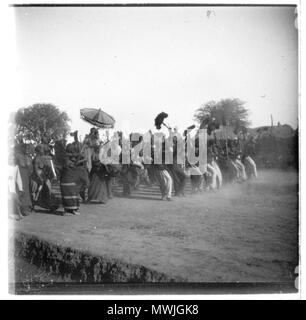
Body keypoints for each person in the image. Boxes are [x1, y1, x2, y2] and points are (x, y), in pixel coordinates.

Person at [60, 143, 89, 214]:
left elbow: (75, 161)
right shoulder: (65, 158)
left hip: (70, 178)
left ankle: (73, 209)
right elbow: (73, 164)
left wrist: (80, 157)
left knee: (73, 193)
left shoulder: (70, 157)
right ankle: (69, 210)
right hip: (67, 178)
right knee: (69, 193)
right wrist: (82, 158)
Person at [30, 144, 58, 211]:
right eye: (41, 149)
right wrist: (40, 178)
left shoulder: (45, 158)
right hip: (36, 178)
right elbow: (36, 170)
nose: (43, 151)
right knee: (35, 191)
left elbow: (48, 168)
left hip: (44, 177)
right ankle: (32, 206)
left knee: (48, 191)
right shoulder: (36, 159)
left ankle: (49, 204)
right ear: (38, 151)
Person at [15, 143, 33, 216]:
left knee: (26, 192)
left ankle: (26, 207)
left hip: (26, 176)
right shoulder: (17, 156)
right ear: (21, 148)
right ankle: (21, 209)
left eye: (28, 148)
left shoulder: (29, 158)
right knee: (20, 191)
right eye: (25, 148)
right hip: (19, 176)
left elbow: (31, 169)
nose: (27, 150)